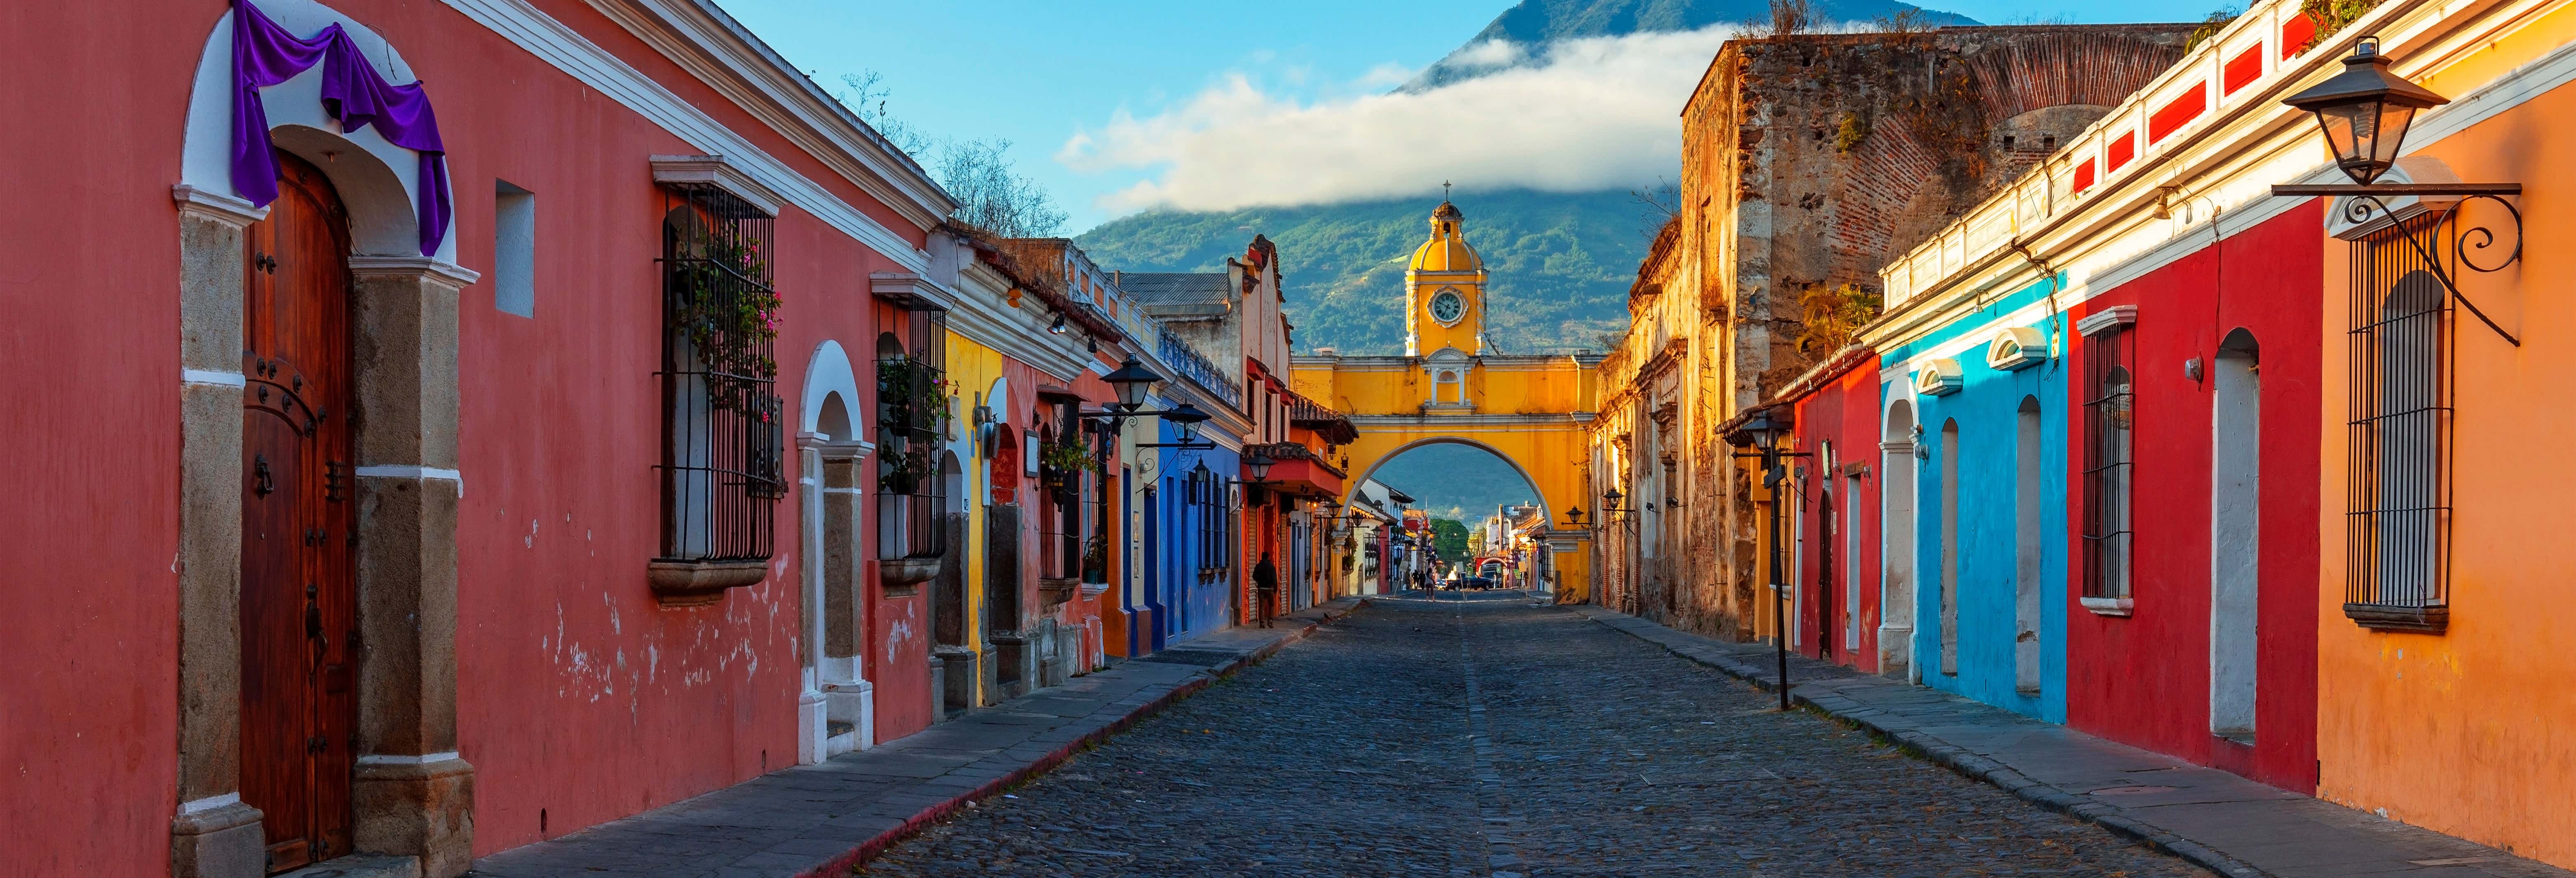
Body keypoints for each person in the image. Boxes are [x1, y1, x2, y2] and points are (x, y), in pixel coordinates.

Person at [1252, 551, 1279, 628]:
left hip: (1261, 588)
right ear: (1268, 558)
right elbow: (1274, 579)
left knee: (1261, 606)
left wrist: (1259, 580)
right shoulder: (1272, 567)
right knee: (1272, 605)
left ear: (1262, 557)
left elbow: (1254, 576)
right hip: (1270, 589)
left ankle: (1262, 623)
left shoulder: (1258, 566)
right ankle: (1270, 621)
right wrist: (1276, 589)